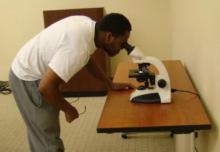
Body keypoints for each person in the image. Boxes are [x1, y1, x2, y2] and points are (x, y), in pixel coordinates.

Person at [9, 13, 133, 152]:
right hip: (28, 78)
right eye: (122, 43)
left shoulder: (88, 26)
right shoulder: (78, 47)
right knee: (47, 141)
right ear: (109, 36)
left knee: (41, 135)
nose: (123, 48)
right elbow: (46, 88)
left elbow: (86, 58)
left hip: (32, 68)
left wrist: (109, 83)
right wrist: (69, 109)